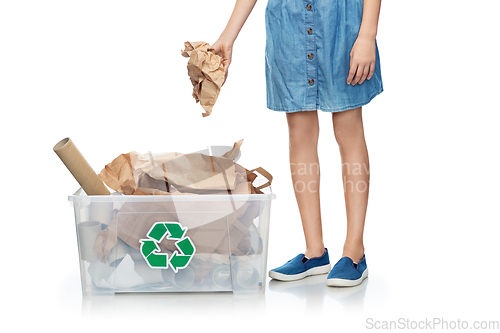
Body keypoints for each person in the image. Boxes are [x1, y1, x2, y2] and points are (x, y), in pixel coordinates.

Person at [212, 0, 383, 287]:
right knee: (300, 134)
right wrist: (228, 35)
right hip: (288, 26)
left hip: (341, 25)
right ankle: (314, 251)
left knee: (348, 131)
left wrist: (367, 34)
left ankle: (355, 252)